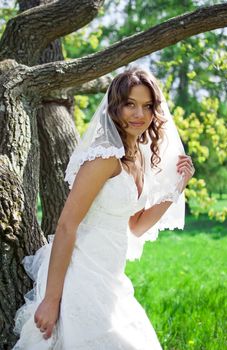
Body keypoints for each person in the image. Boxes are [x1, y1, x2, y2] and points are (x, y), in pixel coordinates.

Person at [12, 67, 195, 349]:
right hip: (80, 270)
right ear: (115, 107)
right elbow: (66, 225)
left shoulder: (138, 159)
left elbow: (136, 225)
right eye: (130, 105)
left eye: (147, 106)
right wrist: (51, 300)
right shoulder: (103, 158)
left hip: (111, 277)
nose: (139, 115)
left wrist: (177, 187)